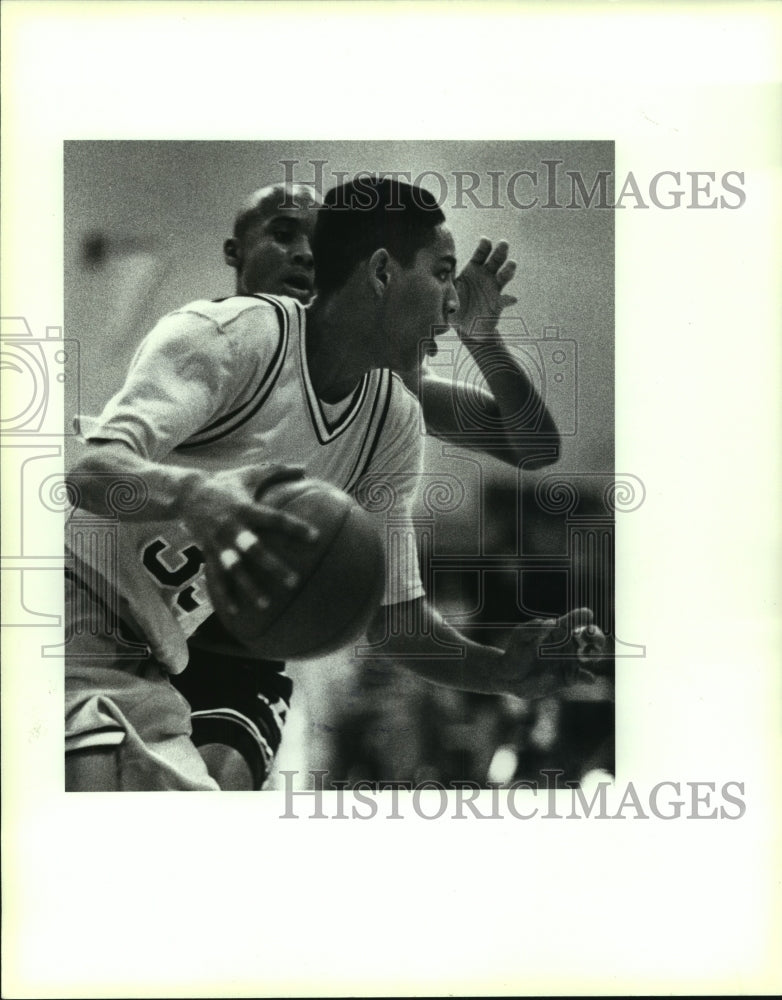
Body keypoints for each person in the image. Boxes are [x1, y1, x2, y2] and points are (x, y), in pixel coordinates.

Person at [65, 176, 604, 791]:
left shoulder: (396, 415)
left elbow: (396, 622)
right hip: (73, 612)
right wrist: (195, 494)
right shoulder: (231, 336)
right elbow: (87, 470)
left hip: (159, 657)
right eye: (442, 274)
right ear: (380, 273)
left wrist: (501, 670)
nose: (454, 303)